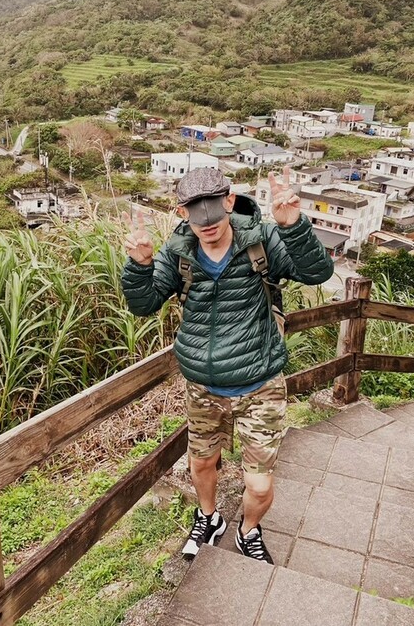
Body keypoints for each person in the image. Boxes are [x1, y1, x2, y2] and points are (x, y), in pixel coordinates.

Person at [121, 166, 333, 563]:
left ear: (230, 201)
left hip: (260, 383)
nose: (208, 223)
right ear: (182, 212)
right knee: (201, 463)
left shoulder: (261, 240)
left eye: (215, 211)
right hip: (203, 387)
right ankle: (208, 517)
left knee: (259, 484)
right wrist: (140, 265)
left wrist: (293, 226)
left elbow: (317, 272)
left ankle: (249, 529)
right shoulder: (178, 252)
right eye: (197, 213)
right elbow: (143, 304)